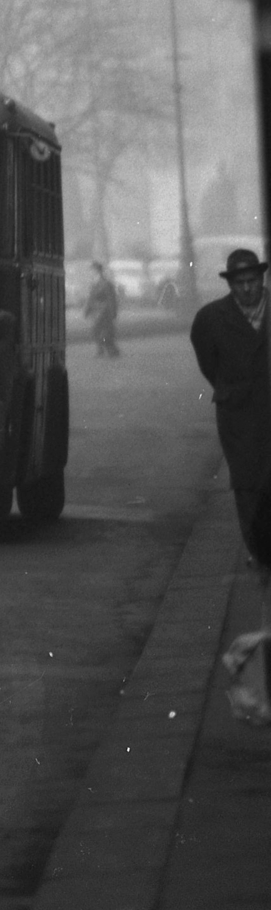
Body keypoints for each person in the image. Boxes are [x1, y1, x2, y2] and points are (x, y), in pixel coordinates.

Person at [190, 247, 271, 724]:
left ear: (261, 279)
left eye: (252, 281)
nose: (246, 289)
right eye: (238, 283)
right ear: (230, 284)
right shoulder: (211, 319)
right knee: (249, 488)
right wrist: (233, 390)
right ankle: (259, 550)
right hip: (240, 421)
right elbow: (208, 363)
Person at [85, 260, 120, 357]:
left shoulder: (106, 283)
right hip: (96, 312)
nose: (90, 272)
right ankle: (104, 349)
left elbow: (111, 298)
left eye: (91, 270)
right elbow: (91, 298)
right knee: (97, 331)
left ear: (97, 271)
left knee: (104, 331)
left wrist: (113, 312)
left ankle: (109, 350)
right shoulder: (93, 283)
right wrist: (87, 310)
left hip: (104, 311)